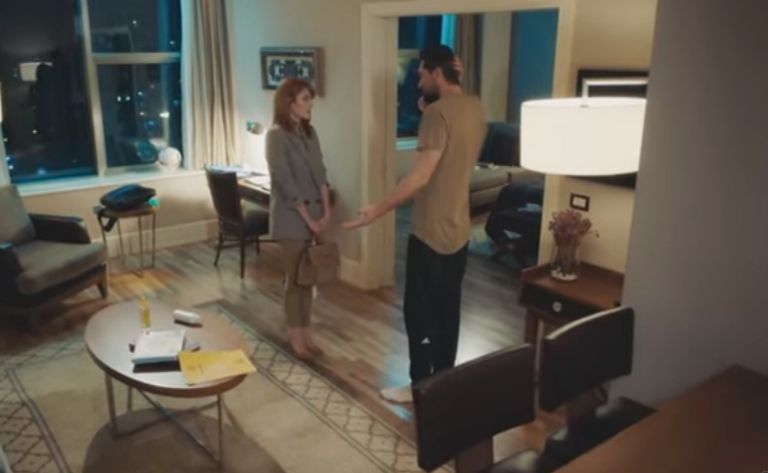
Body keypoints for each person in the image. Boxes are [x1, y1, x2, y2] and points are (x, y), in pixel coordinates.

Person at [344, 46, 487, 403]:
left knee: (420, 315)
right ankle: (444, 379)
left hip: (430, 232)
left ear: (437, 73)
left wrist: (377, 210)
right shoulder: (475, 107)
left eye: (422, 74)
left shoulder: (437, 115)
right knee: (448, 311)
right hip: (459, 230)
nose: (419, 82)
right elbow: (452, 151)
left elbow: (419, 178)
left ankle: (420, 386)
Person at [266, 77, 332, 360]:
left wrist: (326, 211)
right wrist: (309, 219)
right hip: (292, 219)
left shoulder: (309, 132)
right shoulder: (276, 136)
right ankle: (296, 338)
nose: (310, 104)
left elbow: (321, 172)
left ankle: (307, 334)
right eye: (305, 99)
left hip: (315, 216)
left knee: (309, 279)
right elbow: (285, 182)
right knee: (295, 281)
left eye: (310, 99)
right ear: (289, 102)